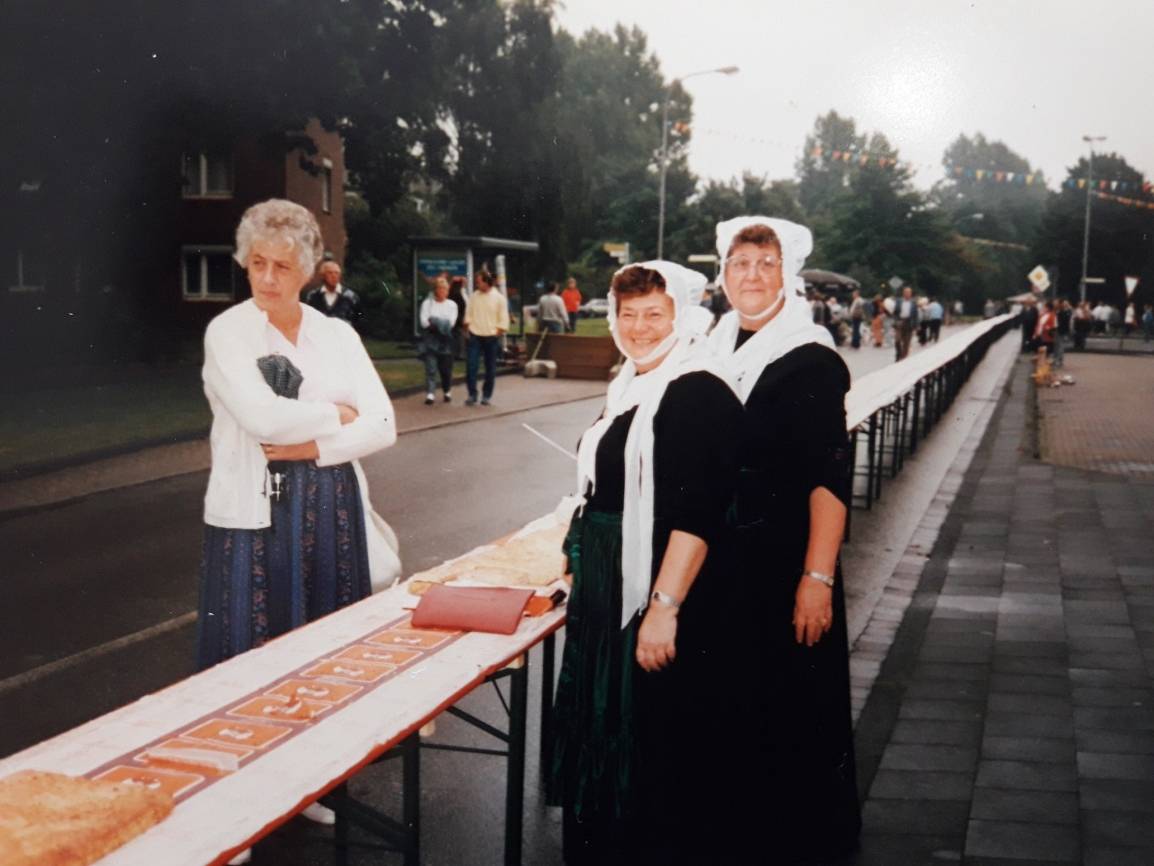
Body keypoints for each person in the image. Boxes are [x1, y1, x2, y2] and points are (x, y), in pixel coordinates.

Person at [197, 200, 400, 857]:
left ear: (308, 269)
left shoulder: (336, 335)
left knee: (319, 650)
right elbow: (261, 419)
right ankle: (231, 808)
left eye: (282, 266)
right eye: (256, 263)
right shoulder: (228, 333)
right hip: (253, 511)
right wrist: (337, 415)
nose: (267, 278)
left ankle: (311, 782)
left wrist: (313, 443)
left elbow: (385, 425)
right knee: (246, 652)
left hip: (329, 504)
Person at [551, 261, 743, 866]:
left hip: (658, 582)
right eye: (627, 314)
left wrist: (663, 608)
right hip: (609, 581)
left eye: (654, 314)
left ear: (682, 317)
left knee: (649, 728)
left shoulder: (697, 390)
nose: (638, 327)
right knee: (609, 718)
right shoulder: (632, 383)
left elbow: (700, 513)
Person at [708, 216, 860, 863]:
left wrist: (817, 577)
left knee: (784, 707)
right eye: (740, 263)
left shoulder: (811, 358)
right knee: (728, 705)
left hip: (782, 560)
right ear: (723, 273)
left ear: (786, 275)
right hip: (719, 558)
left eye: (766, 264)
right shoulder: (711, 346)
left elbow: (829, 475)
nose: (752, 275)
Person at [463, 268, 509, 406]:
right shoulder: (474, 297)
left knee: (490, 368)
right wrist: (467, 328)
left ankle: (486, 395)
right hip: (475, 336)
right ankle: (472, 394)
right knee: (471, 366)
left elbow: (503, 318)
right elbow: (468, 314)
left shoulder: (499, 298)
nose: (477, 285)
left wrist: (498, 332)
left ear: (487, 282)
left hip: (491, 337)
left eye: (479, 282)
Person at [418, 275, 458, 404]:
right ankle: (430, 393)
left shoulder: (452, 305)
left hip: (445, 340)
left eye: (445, 289)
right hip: (431, 339)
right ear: (435, 290)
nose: (443, 291)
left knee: (445, 369)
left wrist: (434, 320)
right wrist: (439, 323)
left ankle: (447, 391)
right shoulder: (427, 304)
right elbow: (424, 322)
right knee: (431, 368)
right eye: (440, 289)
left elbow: (450, 323)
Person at [304, 260, 361, 325]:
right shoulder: (313, 296)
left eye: (336, 273)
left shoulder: (350, 296)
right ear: (322, 276)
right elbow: (308, 318)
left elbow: (358, 317)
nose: (334, 276)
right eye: (330, 273)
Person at [892, 285, 919, 360]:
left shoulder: (913, 303)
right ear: (903, 293)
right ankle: (899, 354)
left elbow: (916, 315)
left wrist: (916, 326)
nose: (907, 294)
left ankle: (903, 358)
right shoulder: (898, 301)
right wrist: (896, 321)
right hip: (900, 322)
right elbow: (895, 313)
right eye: (906, 292)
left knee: (906, 342)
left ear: (911, 294)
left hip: (909, 323)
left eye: (909, 292)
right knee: (897, 340)